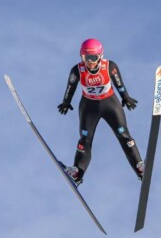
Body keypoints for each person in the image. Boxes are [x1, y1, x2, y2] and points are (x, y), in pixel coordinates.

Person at [57, 38, 144, 184]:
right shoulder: (77, 70)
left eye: (93, 58)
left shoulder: (109, 66)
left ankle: (139, 167)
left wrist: (126, 97)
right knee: (85, 140)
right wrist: (66, 102)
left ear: (100, 56)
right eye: (86, 58)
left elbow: (119, 83)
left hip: (110, 103)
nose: (89, 62)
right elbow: (70, 87)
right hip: (89, 106)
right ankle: (77, 172)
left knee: (124, 135)